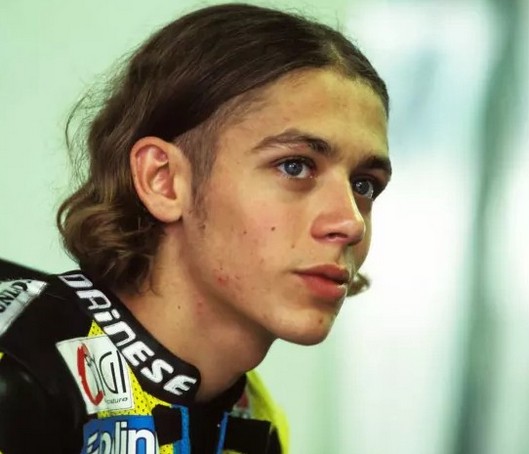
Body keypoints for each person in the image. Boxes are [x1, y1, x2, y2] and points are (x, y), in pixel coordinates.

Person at [0, 3, 391, 453]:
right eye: (295, 166)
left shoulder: (256, 415)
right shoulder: (20, 373)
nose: (350, 221)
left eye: (364, 184)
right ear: (163, 180)